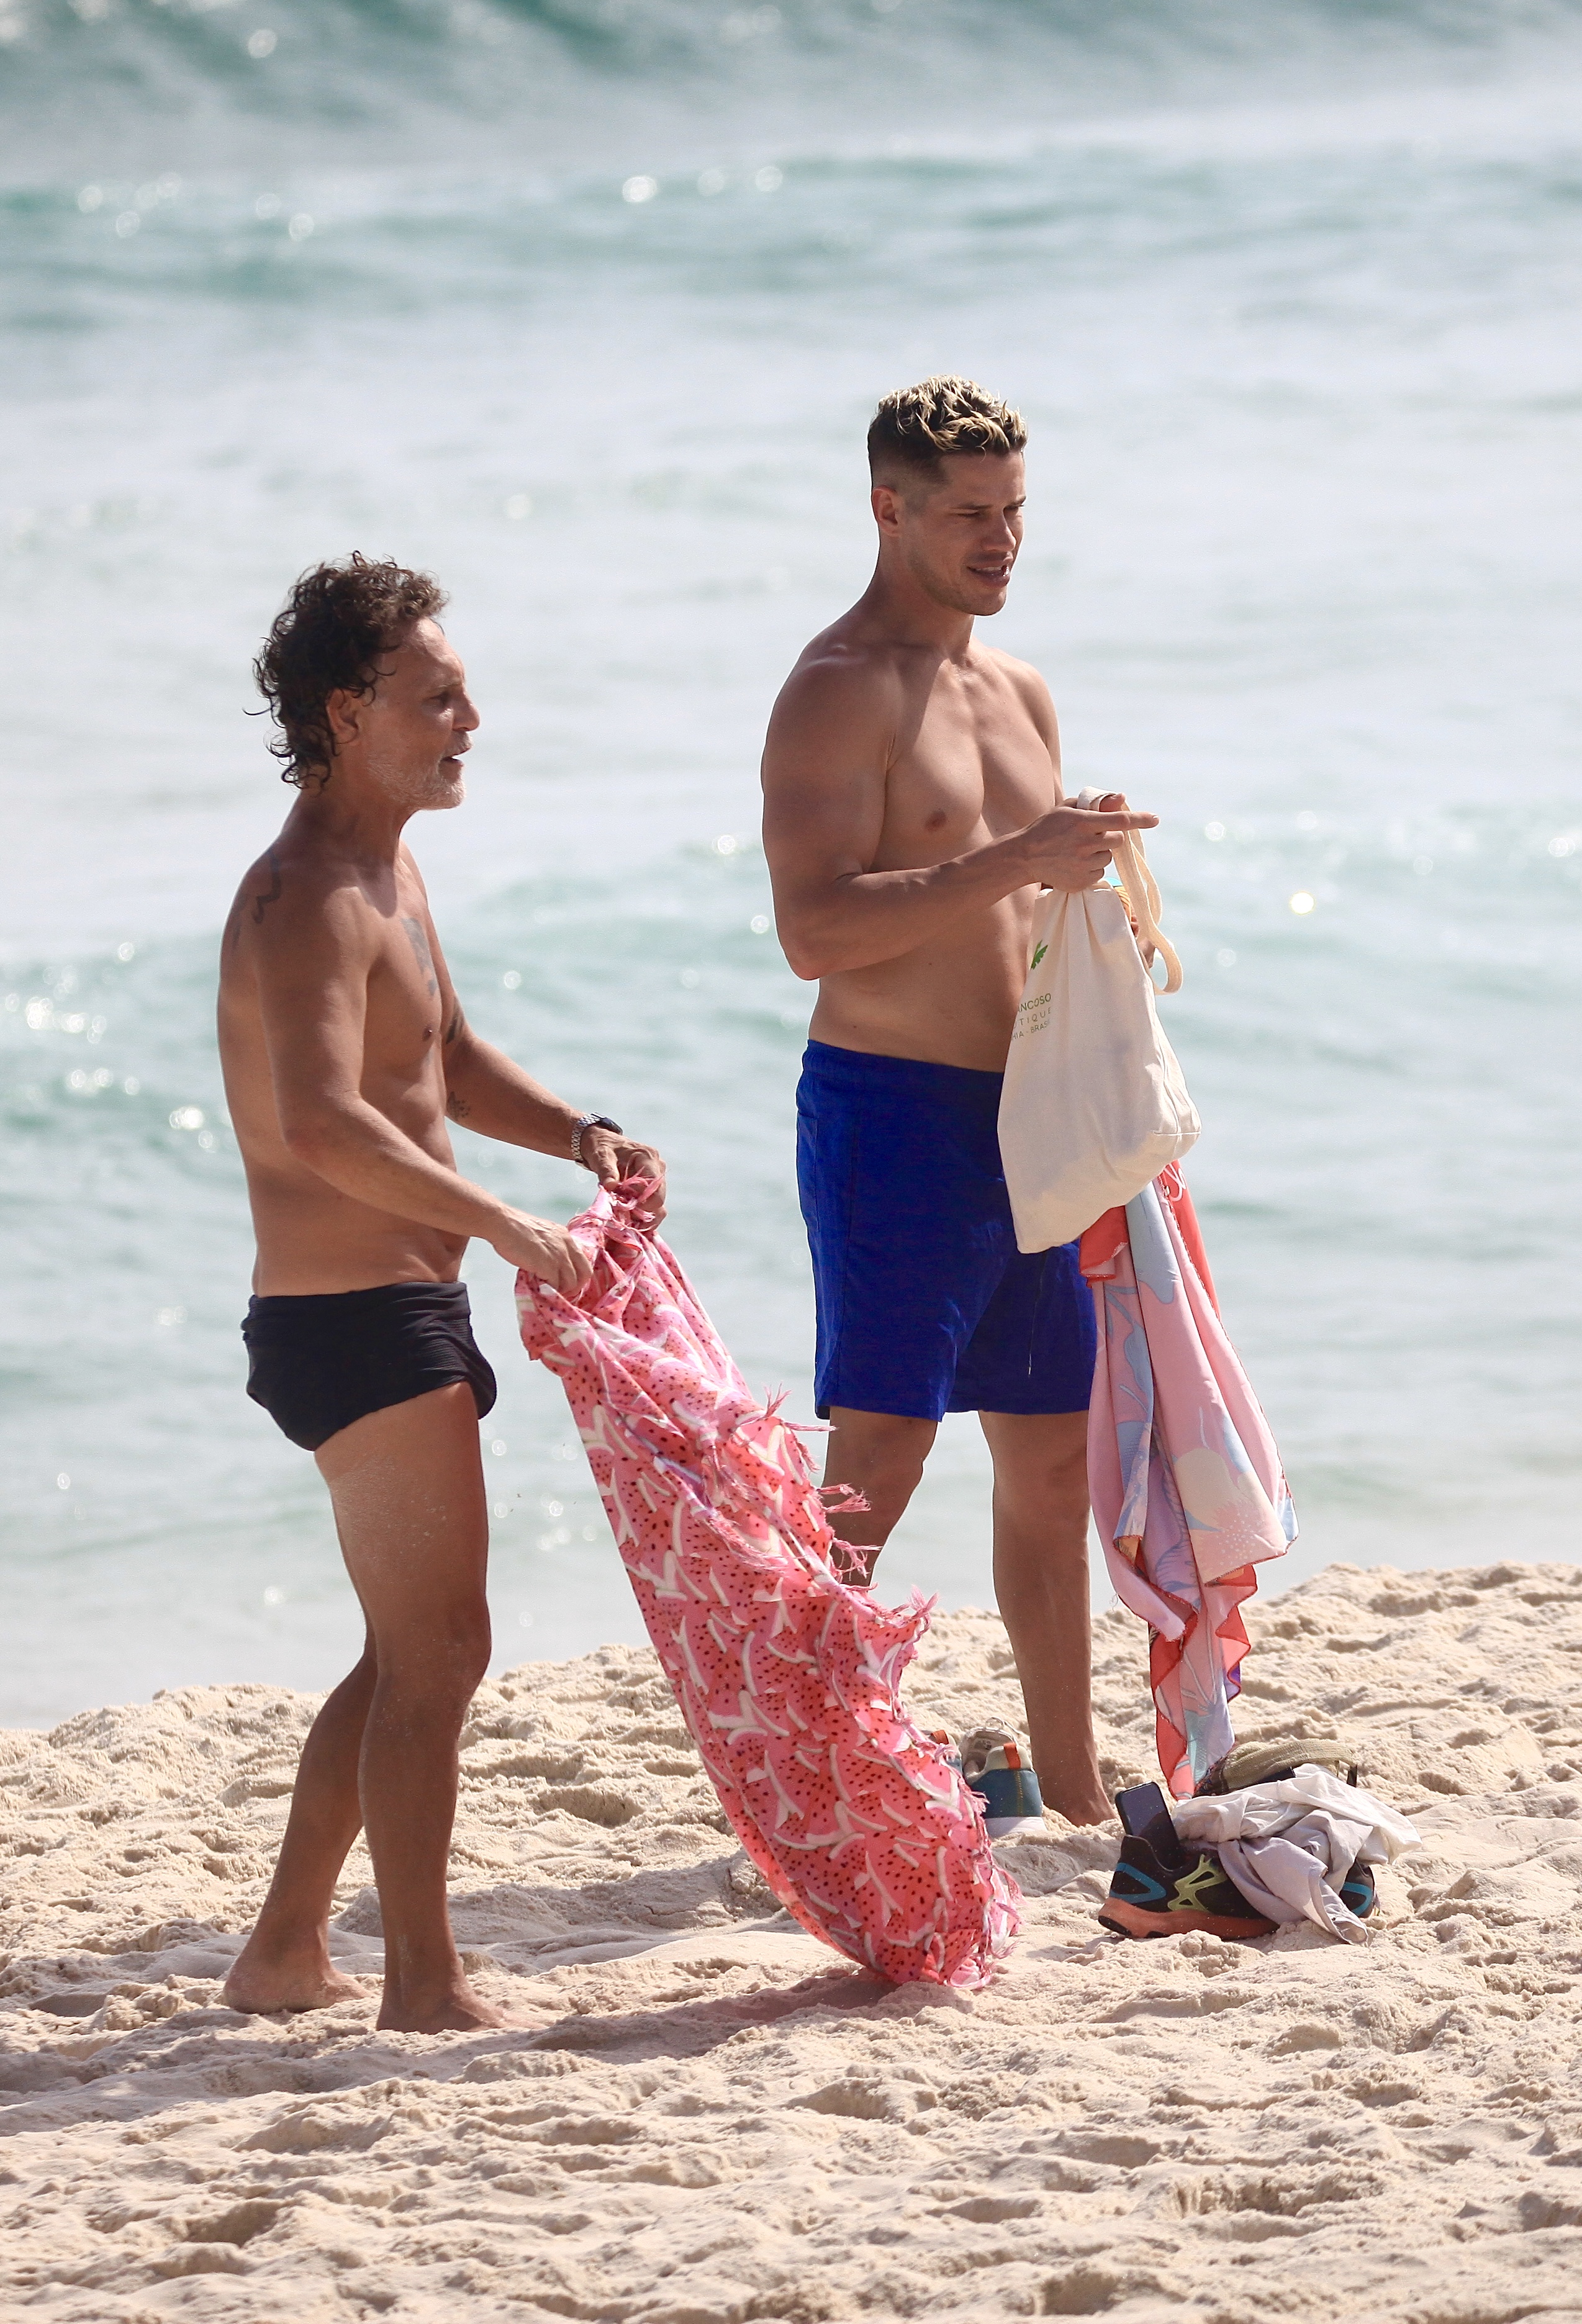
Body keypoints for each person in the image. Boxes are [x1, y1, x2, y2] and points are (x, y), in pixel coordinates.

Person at [216, 555, 664, 2030]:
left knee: (410, 1648)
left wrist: (579, 1135)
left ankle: (286, 1952)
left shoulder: (393, 872)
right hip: (350, 1321)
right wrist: (510, 1224)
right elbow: (323, 1122)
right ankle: (422, 1984)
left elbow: (447, 1062)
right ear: (349, 714)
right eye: (438, 696)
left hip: (403, 1310)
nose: (471, 717)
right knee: (443, 1650)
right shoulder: (302, 900)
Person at [760, 377, 1156, 1826]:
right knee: (876, 1458)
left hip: (1029, 1121)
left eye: (1012, 514)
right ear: (887, 509)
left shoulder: (1019, 689)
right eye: (968, 516)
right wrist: (1014, 858)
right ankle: (804, 1777)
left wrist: (1073, 872)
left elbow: (1014, 898)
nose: (1000, 542)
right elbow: (813, 930)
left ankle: (1064, 1789)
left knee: (1052, 1460)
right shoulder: (834, 690)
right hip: (891, 1114)